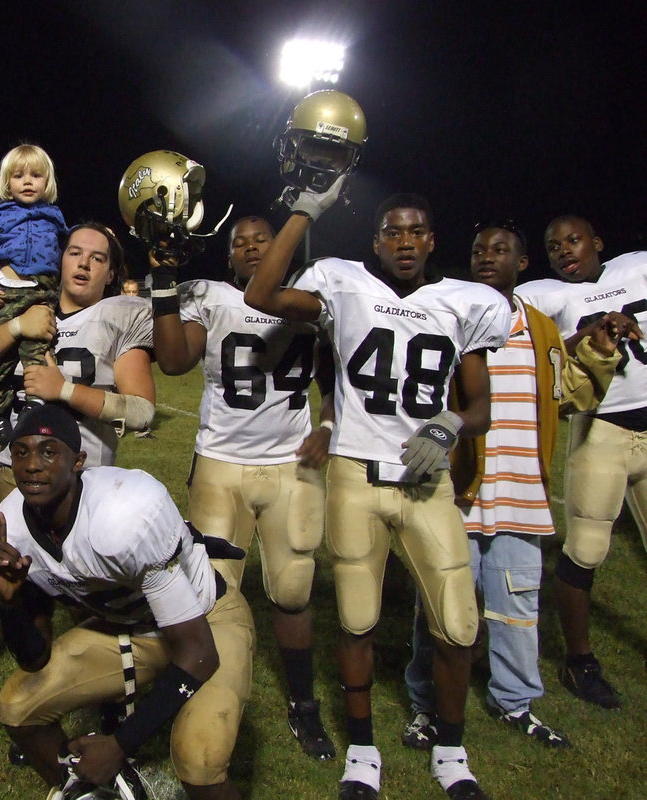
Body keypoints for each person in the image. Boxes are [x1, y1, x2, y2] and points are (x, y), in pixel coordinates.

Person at [244, 184, 509, 800]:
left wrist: (450, 423)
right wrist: (305, 210)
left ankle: (451, 749)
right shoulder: (342, 284)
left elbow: (481, 407)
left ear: (432, 240)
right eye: (393, 232)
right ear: (376, 241)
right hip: (355, 475)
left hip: (427, 482)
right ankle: (362, 748)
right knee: (357, 620)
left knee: (458, 625)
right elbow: (261, 295)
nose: (405, 242)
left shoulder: (464, 302)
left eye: (416, 231)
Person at [403, 221, 621, 751]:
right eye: (479, 249)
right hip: (459, 492)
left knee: (518, 607)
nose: (486, 257)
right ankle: (426, 704)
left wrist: (598, 355)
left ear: (522, 264)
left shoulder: (542, 329)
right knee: (441, 605)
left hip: (522, 493)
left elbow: (562, 396)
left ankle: (515, 702)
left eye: (499, 251)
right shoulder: (452, 316)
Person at [0, 403, 254, 800]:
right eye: (21, 452)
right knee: (18, 705)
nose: (31, 465)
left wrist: (118, 745)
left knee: (200, 760)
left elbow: (199, 653)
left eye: (48, 451)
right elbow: (34, 658)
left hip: (206, 620)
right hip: (131, 628)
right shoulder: (8, 533)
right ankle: (90, 792)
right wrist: (10, 605)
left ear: (78, 461)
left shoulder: (124, 512)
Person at [150, 214, 335, 760]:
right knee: (213, 595)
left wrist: (327, 425)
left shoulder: (310, 303)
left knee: (294, 591)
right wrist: (163, 283)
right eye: (241, 243)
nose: (252, 248)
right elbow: (174, 360)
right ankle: (211, 698)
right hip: (221, 466)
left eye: (263, 240)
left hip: (290, 467)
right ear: (228, 255)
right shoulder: (212, 298)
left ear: (281, 247)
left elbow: (338, 378)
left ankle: (303, 704)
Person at [517, 215, 647, 710]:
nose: (564, 251)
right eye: (553, 247)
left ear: (597, 242)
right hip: (601, 430)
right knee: (587, 548)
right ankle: (579, 660)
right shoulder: (546, 296)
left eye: (573, 240)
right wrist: (587, 336)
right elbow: (528, 347)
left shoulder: (637, 268)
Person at [0, 223, 155, 513]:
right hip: (16, 473)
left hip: (85, 479)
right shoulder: (28, 311)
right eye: (74, 253)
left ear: (111, 273)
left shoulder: (120, 314)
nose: (83, 263)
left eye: (97, 258)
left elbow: (141, 413)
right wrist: (17, 326)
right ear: (59, 259)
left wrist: (64, 390)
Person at [0, 144, 68, 444]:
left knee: (39, 351)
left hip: (42, 294)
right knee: (1, 358)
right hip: (7, 295)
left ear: (47, 181)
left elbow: (66, 250)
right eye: (19, 175)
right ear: (6, 182)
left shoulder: (54, 218)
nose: (27, 182)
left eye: (36, 175)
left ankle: (34, 404)